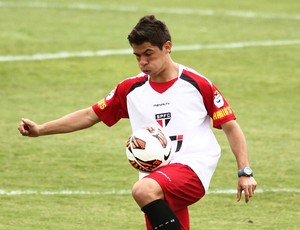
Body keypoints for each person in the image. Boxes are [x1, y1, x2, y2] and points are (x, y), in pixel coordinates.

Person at [18, 15, 257, 230]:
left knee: (143, 191)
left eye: (148, 54)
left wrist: (244, 171)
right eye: (137, 56)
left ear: (167, 47)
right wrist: (40, 130)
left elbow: (230, 125)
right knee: (151, 197)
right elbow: (90, 115)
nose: (142, 62)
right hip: (154, 177)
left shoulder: (197, 84)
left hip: (193, 168)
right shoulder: (130, 89)